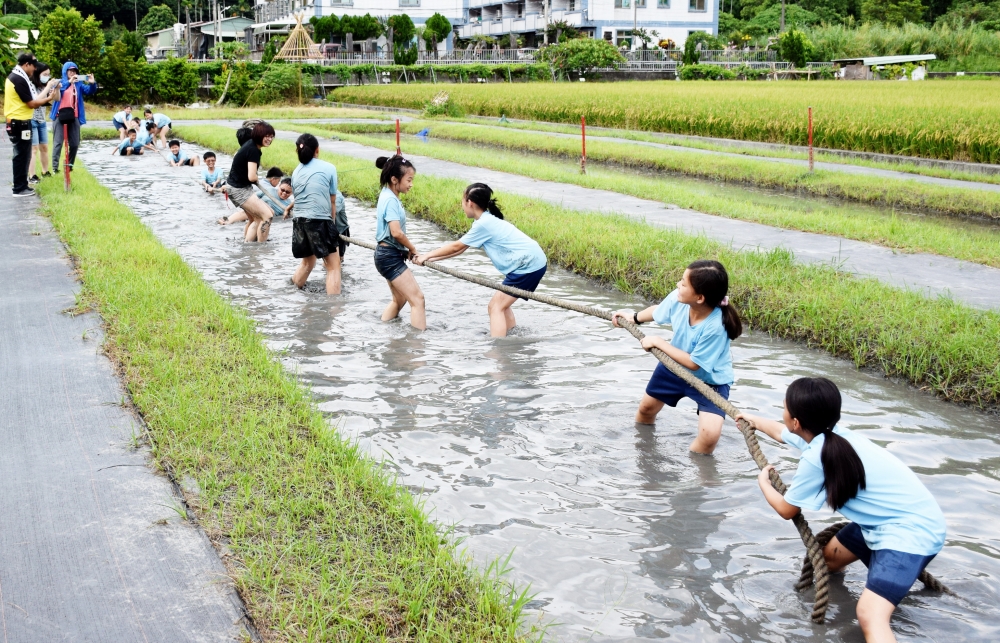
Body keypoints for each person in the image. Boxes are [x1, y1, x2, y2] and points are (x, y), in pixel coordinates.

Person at [737, 378, 946, 643]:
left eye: (784, 408)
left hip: (909, 534)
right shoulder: (834, 436)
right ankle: (849, 604)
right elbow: (781, 432)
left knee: (869, 615)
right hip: (891, 521)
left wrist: (763, 483)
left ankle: (878, 606)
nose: (782, 412)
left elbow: (786, 509)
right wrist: (752, 420)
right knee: (829, 559)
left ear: (797, 422)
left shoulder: (816, 456)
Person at [611, 260, 742, 454]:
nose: (677, 285)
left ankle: (699, 474)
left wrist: (660, 343)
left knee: (709, 437)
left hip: (710, 380)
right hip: (673, 366)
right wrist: (634, 317)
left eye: (683, 283)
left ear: (699, 297)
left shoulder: (716, 326)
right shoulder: (679, 299)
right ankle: (643, 452)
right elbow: (659, 311)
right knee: (646, 409)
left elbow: (694, 363)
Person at [415, 183, 547, 337]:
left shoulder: (483, 224)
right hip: (532, 262)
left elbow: (456, 246)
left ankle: (499, 349)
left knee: (495, 307)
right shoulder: (486, 220)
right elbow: (461, 249)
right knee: (501, 306)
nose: (462, 205)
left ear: (470, 203)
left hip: (527, 266)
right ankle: (512, 338)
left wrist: (427, 255)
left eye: (462, 201)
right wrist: (428, 259)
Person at [373, 155, 425, 330]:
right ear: (394, 179)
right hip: (389, 256)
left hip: (387, 254)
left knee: (400, 299)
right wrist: (412, 248)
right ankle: (418, 346)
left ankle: (382, 329)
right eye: (409, 180)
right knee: (417, 299)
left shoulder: (389, 195)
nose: (411, 184)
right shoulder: (390, 200)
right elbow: (396, 232)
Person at [289, 134, 341, 295]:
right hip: (319, 221)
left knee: (307, 262)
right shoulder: (329, 167)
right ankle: (334, 308)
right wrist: (331, 228)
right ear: (317, 150)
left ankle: (291, 293)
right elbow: (333, 202)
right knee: (333, 267)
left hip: (299, 221)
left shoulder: (295, 172)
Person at [5, 53, 59, 197]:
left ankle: (22, 185)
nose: (35, 69)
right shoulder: (18, 79)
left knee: (24, 153)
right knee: (21, 155)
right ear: (26, 65)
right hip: (19, 122)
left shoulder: (17, 76)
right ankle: (19, 188)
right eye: (34, 66)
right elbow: (32, 104)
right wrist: (49, 98)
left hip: (20, 121)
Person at [224, 120, 276, 243]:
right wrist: (258, 178)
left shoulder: (250, 145)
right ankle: (260, 247)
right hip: (239, 190)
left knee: (259, 217)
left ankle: (247, 245)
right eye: (266, 136)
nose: (269, 139)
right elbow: (252, 177)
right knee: (267, 217)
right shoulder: (253, 150)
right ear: (258, 135)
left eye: (271, 136)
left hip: (236, 187)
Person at [50, 61, 97, 174]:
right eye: (70, 71)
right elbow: (57, 91)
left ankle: (69, 166)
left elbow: (89, 91)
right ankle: (55, 168)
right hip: (59, 115)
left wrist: (92, 83)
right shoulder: (59, 82)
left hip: (74, 116)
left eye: (74, 71)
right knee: (58, 143)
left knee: (75, 143)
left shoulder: (79, 84)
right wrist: (68, 82)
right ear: (65, 72)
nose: (72, 73)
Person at [218, 168, 290, 226]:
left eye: (287, 192)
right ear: (279, 186)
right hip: (256, 209)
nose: (284, 193)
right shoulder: (269, 190)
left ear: (291, 193)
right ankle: (227, 221)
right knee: (246, 212)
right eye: (282, 190)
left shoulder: (289, 204)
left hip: (267, 218)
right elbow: (251, 197)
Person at [27, 61, 54, 184]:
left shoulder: (45, 87)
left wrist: (56, 89)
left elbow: (55, 100)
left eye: (48, 75)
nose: (47, 77)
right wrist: (48, 87)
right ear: (38, 74)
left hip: (42, 120)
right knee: (33, 148)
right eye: (45, 74)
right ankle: (31, 175)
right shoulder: (31, 85)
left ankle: (45, 171)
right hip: (31, 120)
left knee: (44, 147)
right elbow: (37, 99)